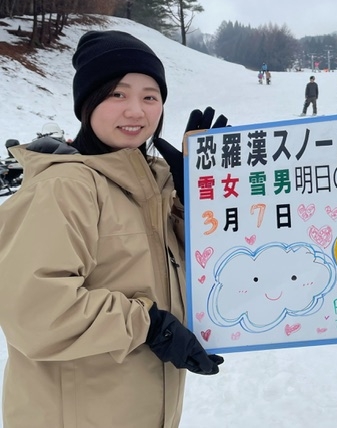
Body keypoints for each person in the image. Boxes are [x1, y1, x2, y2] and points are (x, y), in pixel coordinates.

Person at [0, 30, 226, 428]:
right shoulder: (65, 187)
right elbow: (33, 312)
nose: (136, 111)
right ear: (87, 102)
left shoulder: (151, 187)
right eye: (117, 94)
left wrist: (194, 198)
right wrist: (150, 326)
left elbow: (198, 271)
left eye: (150, 96)